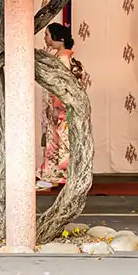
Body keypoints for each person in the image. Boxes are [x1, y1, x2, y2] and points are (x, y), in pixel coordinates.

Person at [36, 22, 91, 190]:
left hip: (61, 108)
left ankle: (56, 175)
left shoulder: (62, 58)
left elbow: (62, 85)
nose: (45, 38)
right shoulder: (63, 56)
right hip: (59, 107)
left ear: (58, 38)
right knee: (56, 141)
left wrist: (57, 108)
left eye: (47, 34)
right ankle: (52, 174)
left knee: (59, 142)